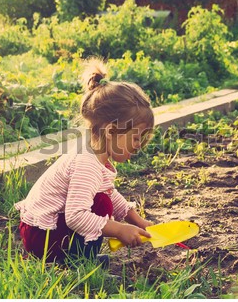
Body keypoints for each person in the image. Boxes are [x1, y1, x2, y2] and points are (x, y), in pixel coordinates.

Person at [14, 57, 154, 265]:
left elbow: (108, 190)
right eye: (136, 138)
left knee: (102, 198)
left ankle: (74, 256)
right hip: (42, 236)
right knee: (101, 204)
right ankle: (77, 262)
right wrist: (118, 228)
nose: (139, 146)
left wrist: (136, 220)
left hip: (44, 232)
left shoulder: (95, 155)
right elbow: (75, 217)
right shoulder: (86, 163)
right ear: (111, 131)